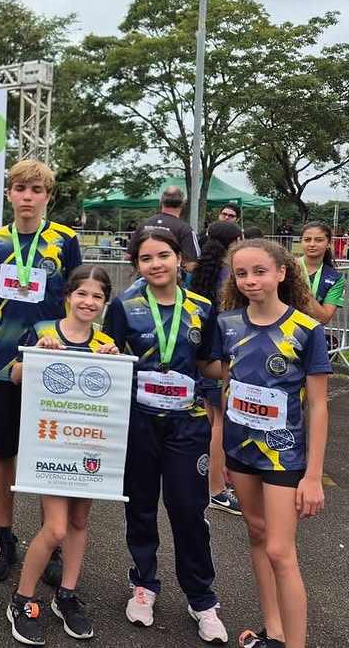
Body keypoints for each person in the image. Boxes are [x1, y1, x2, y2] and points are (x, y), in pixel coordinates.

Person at [103, 229, 227, 643]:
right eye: (145, 258)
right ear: (136, 264)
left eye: (163, 256)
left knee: (188, 509)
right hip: (138, 423)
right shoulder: (124, 306)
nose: (155, 264)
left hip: (188, 424)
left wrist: (242, 369)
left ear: (180, 259)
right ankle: (144, 583)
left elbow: (209, 363)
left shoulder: (203, 309)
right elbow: (109, 359)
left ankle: (201, 598)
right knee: (139, 505)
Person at [212, 239, 331, 648]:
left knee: (280, 550)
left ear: (282, 272)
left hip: (285, 457)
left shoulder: (307, 330)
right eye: (241, 273)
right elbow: (227, 387)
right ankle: (274, 633)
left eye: (259, 271)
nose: (249, 281)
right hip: (240, 453)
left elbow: (318, 407)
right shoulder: (227, 325)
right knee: (257, 536)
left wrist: (313, 476)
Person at [5, 265, 119, 645]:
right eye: (82, 294)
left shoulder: (106, 340)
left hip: (88, 446)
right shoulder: (43, 332)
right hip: (50, 446)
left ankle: (66, 595)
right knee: (55, 527)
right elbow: (15, 375)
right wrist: (35, 355)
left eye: (97, 297)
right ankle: (21, 599)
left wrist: (114, 358)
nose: (89, 302)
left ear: (104, 303)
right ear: (68, 296)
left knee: (80, 522)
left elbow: (116, 391)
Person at [0, 160, 81, 582]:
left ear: (46, 196)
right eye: (20, 188)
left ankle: (50, 541)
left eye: (36, 190)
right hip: (3, 361)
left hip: (52, 363)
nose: (27, 196)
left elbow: (77, 300)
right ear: (9, 194)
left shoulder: (65, 239)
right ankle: (5, 535)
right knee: (3, 451)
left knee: (48, 453)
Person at [189, 220, 244, 516]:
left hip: (205, 353)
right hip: (221, 355)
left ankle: (212, 480)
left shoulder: (202, 272)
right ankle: (215, 490)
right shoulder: (230, 277)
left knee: (213, 423)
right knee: (220, 424)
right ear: (236, 241)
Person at [127, 186, 200, 272]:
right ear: (183, 203)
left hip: (144, 279)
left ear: (161, 202)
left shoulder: (144, 224)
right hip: (172, 281)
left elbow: (128, 255)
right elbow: (191, 264)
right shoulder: (185, 229)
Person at [298, 222, 345, 327]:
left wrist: (302, 288)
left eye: (319, 240)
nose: (312, 244)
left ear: (329, 243)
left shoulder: (335, 279)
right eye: (307, 240)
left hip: (310, 334)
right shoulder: (286, 268)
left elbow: (323, 319)